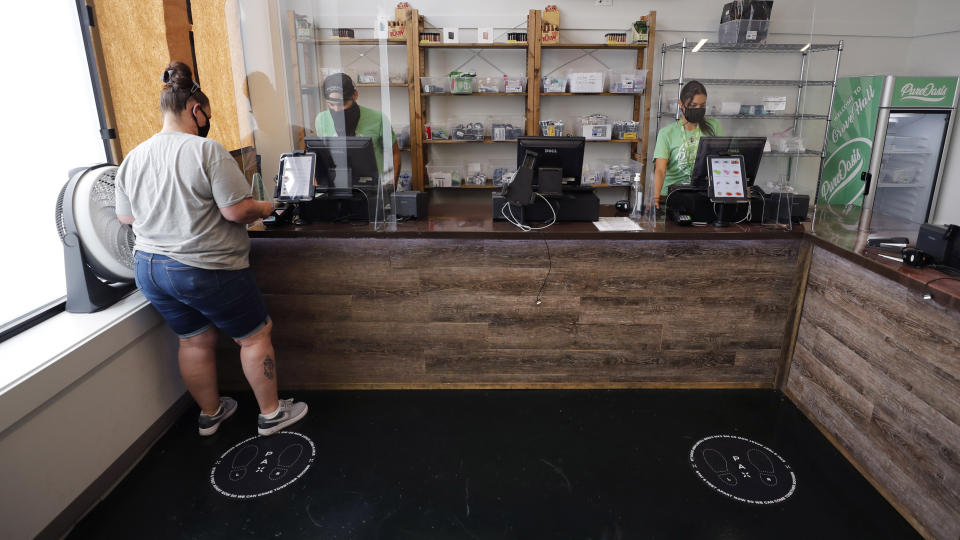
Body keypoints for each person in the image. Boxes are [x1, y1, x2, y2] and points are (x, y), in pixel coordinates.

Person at [115, 62, 307, 437]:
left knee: (194, 339)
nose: (207, 122)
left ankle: (211, 414)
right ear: (195, 110)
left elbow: (126, 217)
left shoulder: (134, 157)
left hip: (150, 268)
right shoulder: (206, 151)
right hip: (202, 267)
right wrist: (270, 206)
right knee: (254, 335)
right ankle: (271, 414)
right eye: (207, 115)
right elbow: (236, 211)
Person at [314, 73, 401, 183]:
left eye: (343, 103)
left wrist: (392, 184)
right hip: (336, 185)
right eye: (331, 104)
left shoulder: (378, 119)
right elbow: (321, 156)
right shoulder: (321, 119)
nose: (336, 109)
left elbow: (394, 153)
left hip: (372, 187)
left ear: (355, 95)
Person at [653, 80, 725, 207]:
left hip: (703, 195)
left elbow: (724, 159)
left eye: (702, 106)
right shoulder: (666, 133)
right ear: (681, 104)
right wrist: (655, 198)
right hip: (672, 196)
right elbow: (660, 169)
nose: (698, 109)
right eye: (693, 105)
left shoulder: (714, 126)